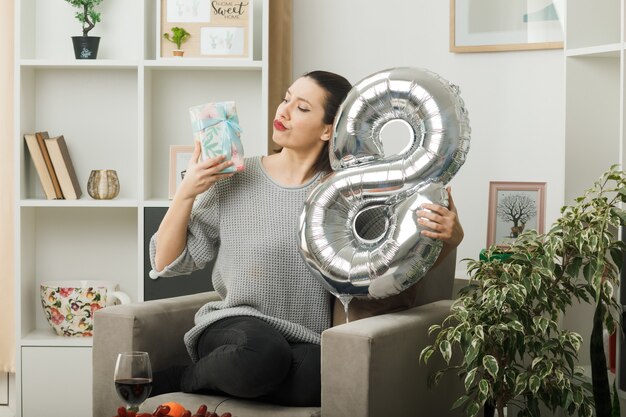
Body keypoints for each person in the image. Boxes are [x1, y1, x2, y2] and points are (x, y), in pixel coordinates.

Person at [148, 70, 464, 407]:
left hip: (303, 338)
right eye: (286, 99)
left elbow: (386, 273)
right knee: (262, 353)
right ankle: (180, 378)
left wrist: (450, 237)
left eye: (301, 108)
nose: (282, 112)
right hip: (234, 327)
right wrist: (185, 193)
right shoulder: (234, 178)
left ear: (329, 129)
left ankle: (242, 378)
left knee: (321, 376)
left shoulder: (349, 196)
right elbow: (166, 262)